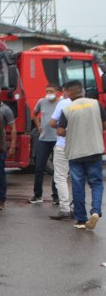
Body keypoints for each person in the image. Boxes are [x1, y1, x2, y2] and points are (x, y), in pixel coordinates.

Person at [57, 80, 106, 230]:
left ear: (69, 93)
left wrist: (71, 131)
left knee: (78, 185)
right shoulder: (96, 104)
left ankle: (80, 220)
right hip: (94, 150)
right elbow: (104, 125)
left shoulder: (68, 108)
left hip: (75, 153)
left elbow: (60, 131)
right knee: (96, 183)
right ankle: (96, 211)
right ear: (82, 91)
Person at [29, 84, 60, 204]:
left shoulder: (61, 103)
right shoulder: (41, 102)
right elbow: (34, 114)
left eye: (51, 91)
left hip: (58, 139)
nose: (48, 93)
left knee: (57, 169)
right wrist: (38, 126)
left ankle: (56, 196)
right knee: (39, 167)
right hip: (43, 139)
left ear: (57, 92)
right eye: (47, 91)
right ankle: (37, 195)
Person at [48, 88, 72, 220]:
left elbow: (52, 122)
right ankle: (77, 208)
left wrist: (62, 127)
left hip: (63, 145)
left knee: (61, 177)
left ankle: (64, 209)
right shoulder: (91, 103)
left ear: (67, 92)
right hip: (81, 146)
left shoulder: (63, 103)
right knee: (77, 178)